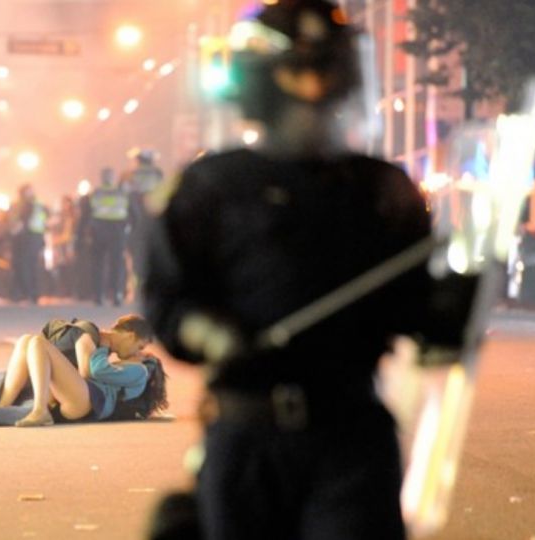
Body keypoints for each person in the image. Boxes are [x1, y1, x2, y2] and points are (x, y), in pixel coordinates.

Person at [143, 2, 433, 538]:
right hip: (247, 436)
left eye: (325, 72)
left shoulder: (381, 192)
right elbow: (168, 301)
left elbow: (420, 309)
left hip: (351, 436)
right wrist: (210, 333)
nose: (314, 95)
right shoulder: (210, 188)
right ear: (264, 85)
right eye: (300, 73)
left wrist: (454, 303)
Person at [0, 315, 167, 429]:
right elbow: (89, 369)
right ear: (129, 334)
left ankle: (28, 408)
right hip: (45, 381)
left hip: (61, 390)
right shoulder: (90, 334)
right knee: (20, 349)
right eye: (140, 346)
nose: (138, 353)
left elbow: (88, 371)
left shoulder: (130, 367)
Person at [122, 147, 164, 291]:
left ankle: (137, 286)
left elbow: (125, 197)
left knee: (135, 254)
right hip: (153, 221)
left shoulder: (131, 174)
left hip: (135, 221)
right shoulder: (157, 173)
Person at [90, 167, 130, 306]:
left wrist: (83, 232)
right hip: (117, 231)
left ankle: (99, 295)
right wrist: (130, 228)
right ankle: (117, 294)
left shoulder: (97, 192)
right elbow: (133, 212)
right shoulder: (121, 192)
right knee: (117, 264)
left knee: (99, 264)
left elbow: (87, 213)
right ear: (113, 177)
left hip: (99, 231)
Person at [10, 183, 48, 304]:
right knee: (33, 265)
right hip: (37, 236)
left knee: (26, 266)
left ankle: (28, 292)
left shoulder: (27, 205)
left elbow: (22, 222)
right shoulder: (40, 205)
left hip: (28, 237)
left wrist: (13, 233)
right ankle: (33, 293)